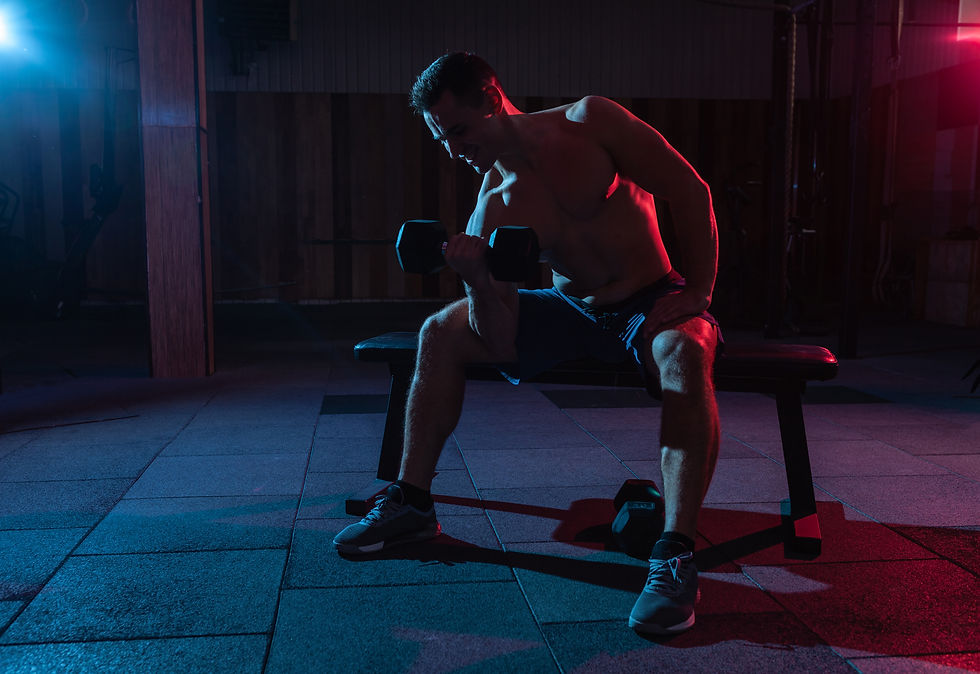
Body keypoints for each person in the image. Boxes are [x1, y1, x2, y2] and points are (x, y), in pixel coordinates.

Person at [334, 52, 721, 635]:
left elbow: (691, 192)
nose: (454, 150)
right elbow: (500, 338)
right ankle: (412, 503)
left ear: (493, 100)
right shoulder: (494, 203)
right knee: (439, 329)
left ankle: (673, 553)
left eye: (459, 130)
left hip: (652, 297)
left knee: (685, 354)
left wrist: (700, 292)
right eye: (442, 139)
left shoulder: (592, 121)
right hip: (572, 307)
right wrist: (479, 283)